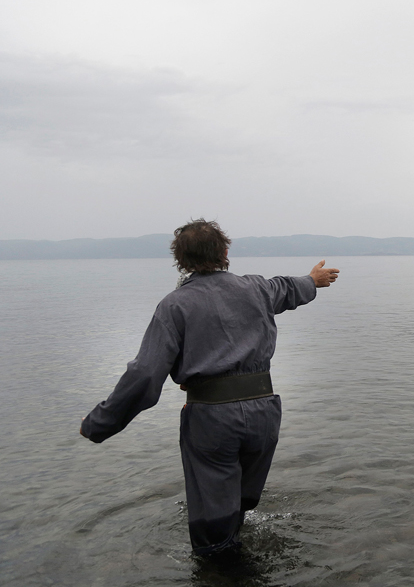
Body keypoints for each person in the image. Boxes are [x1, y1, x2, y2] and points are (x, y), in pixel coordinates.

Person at [79, 219, 340, 556]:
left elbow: (145, 374)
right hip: (264, 412)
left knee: (213, 522)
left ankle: (222, 569)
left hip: (213, 419)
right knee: (242, 504)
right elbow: (289, 287)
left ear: (181, 260)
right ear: (226, 252)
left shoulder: (175, 306)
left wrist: (99, 423)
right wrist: (313, 280)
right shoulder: (257, 289)